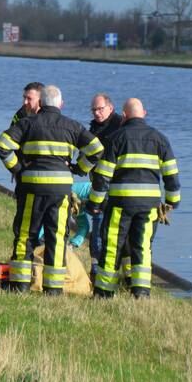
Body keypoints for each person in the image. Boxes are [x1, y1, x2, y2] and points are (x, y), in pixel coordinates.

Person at [0, 84, 103, 294]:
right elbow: (96, 149)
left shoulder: (27, 123)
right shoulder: (72, 126)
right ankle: (53, 289)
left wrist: (17, 169)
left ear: (41, 103)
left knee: (26, 234)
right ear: (61, 104)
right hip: (60, 190)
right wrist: (79, 169)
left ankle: (20, 285)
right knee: (57, 235)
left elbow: (2, 144)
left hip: (31, 187)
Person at [86, 98, 180, 298]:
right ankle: (141, 292)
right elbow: (171, 175)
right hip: (150, 206)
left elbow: (102, 176)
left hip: (121, 203)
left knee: (112, 246)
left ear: (124, 115)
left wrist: (94, 203)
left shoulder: (116, 138)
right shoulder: (160, 139)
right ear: (144, 113)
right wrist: (172, 202)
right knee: (143, 247)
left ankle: (104, 292)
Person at [85, 92, 123, 274]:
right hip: (98, 186)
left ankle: (103, 271)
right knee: (98, 230)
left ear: (110, 108)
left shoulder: (120, 127)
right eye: (93, 110)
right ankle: (97, 269)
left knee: (105, 231)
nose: (96, 113)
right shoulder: (93, 128)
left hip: (115, 187)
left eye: (100, 109)